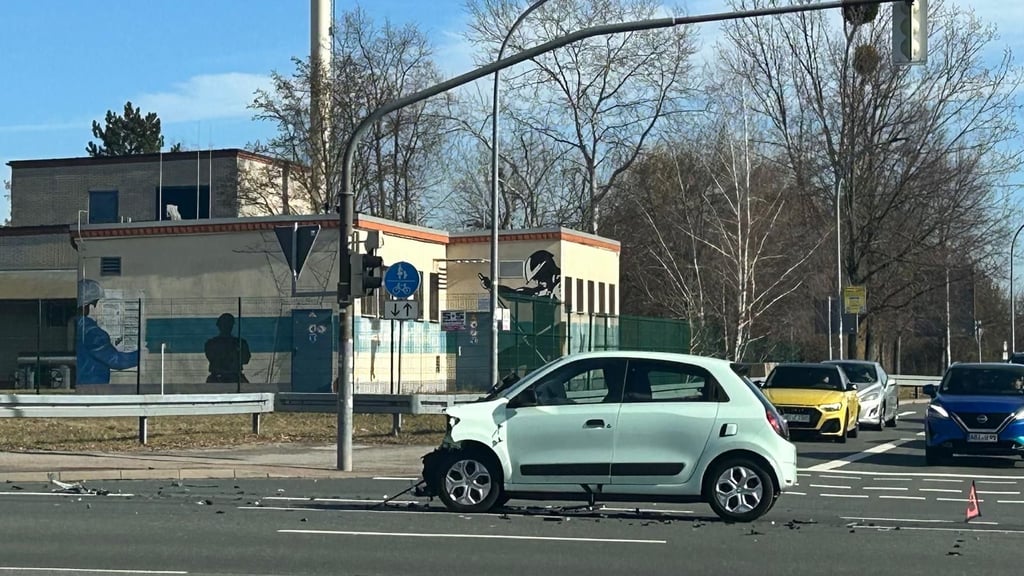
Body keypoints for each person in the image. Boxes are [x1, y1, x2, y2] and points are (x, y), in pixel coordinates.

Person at [75, 278, 140, 385]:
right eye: (101, 304)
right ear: (91, 307)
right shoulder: (93, 333)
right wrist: (141, 355)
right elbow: (117, 361)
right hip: (92, 389)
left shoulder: (74, 326)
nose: (103, 310)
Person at [204, 313, 251, 384]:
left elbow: (245, 359)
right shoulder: (211, 343)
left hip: (235, 378)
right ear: (219, 326)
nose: (226, 327)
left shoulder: (240, 343)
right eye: (224, 324)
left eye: (228, 324)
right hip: (217, 378)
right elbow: (213, 358)